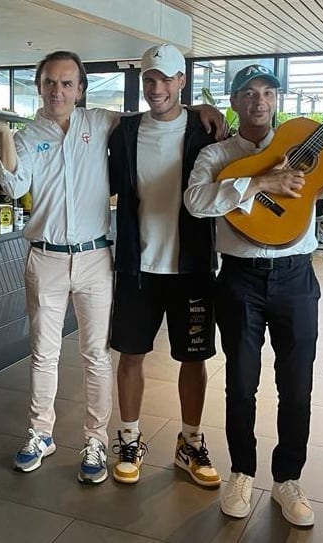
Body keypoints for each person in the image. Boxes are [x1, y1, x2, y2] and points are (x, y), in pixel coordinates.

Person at [0, 50, 225, 485]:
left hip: (95, 258)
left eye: (67, 83)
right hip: (44, 257)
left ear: (81, 90)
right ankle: (40, 434)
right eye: (49, 83)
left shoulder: (100, 123)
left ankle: (96, 440)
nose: (58, 91)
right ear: (39, 86)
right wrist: (6, 134)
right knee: (43, 354)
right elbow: (13, 186)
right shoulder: (27, 135)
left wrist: (200, 108)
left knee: (97, 356)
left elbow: (157, 112)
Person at [184, 63, 323, 527]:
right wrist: (259, 183)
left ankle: (287, 479)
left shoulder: (306, 142)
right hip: (239, 277)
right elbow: (196, 201)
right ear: (235, 103)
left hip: (296, 277)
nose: (259, 101)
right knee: (240, 384)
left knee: (296, 386)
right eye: (249, 93)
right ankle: (241, 471)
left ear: (276, 101)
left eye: (268, 93)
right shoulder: (218, 155)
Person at [107, 44, 220, 488]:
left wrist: (207, 108)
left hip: (191, 265)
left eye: (164, 80)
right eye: (148, 80)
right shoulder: (125, 130)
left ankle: (190, 443)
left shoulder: (206, 129)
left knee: (194, 358)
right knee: (130, 353)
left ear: (181, 82)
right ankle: (130, 439)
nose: (155, 89)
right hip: (139, 266)